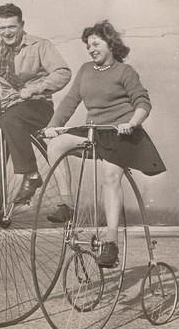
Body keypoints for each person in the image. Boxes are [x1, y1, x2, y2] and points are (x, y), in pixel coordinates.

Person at [42, 20, 166, 267]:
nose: (91, 49)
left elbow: (143, 103)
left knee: (110, 177)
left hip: (121, 134)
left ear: (111, 43)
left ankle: (111, 243)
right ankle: (66, 204)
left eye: (96, 43)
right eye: (88, 45)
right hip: (94, 132)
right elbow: (70, 101)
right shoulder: (86, 70)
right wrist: (52, 126)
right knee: (55, 145)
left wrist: (132, 122)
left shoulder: (125, 72)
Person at [0, 3, 71, 239]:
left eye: (12, 27)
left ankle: (31, 175)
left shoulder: (40, 46)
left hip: (38, 107)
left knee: (11, 119)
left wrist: (34, 90)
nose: (7, 33)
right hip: (9, 112)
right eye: (2, 28)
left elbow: (63, 72)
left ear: (22, 25)